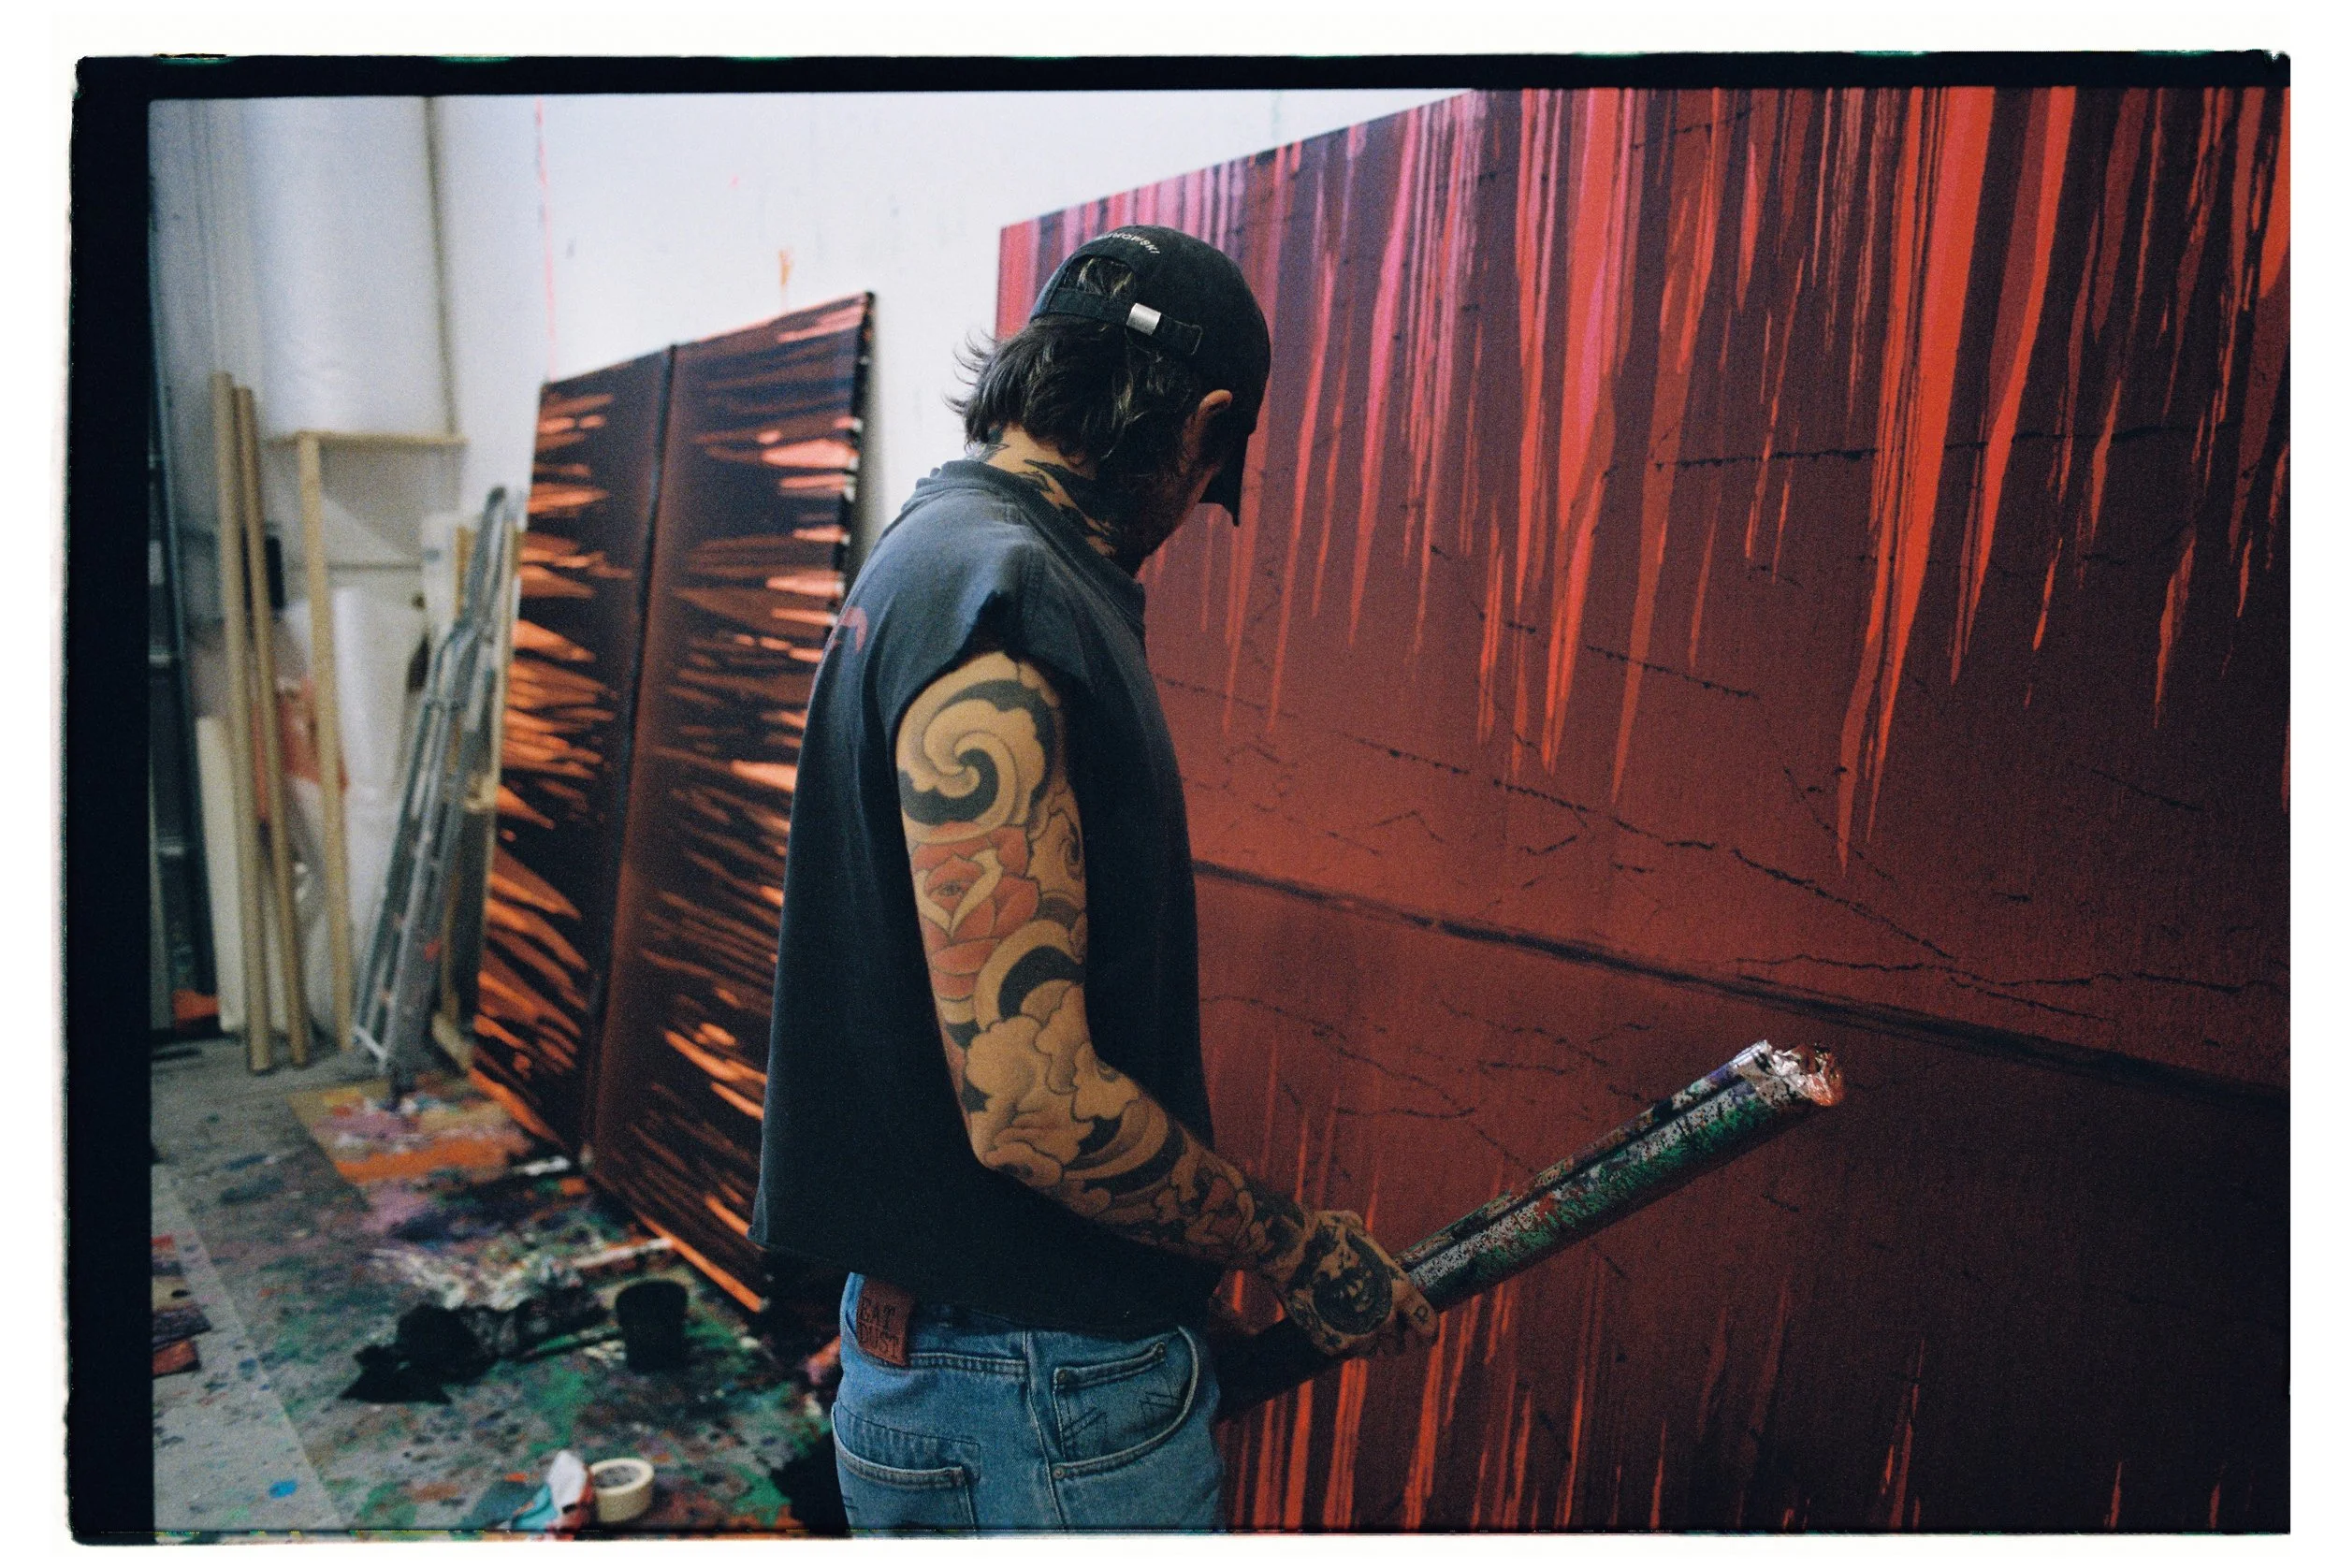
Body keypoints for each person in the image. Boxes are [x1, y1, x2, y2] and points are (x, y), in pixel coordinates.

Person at [750, 225, 1437, 1533]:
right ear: (1206, 426)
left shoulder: (927, 551)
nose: (1186, 518)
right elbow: (1031, 1106)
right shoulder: (1010, 596)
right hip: (1034, 1394)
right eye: (1211, 480)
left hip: (956, 1365)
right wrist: (1292, 1245)